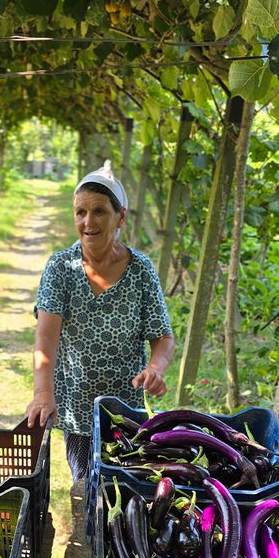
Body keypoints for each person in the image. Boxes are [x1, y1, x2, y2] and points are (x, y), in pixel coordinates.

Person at [26, 161, 175, 481]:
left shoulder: (141, 270)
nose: (87, 221)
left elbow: (162, 335)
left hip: (126, 411)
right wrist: (43, 392)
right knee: (86, 485)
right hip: (77, 409)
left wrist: (156, 368)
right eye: (80, 212)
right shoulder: (61, 267)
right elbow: (46, 337)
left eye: (99, 212)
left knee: (125, 485)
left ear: (120, 215)